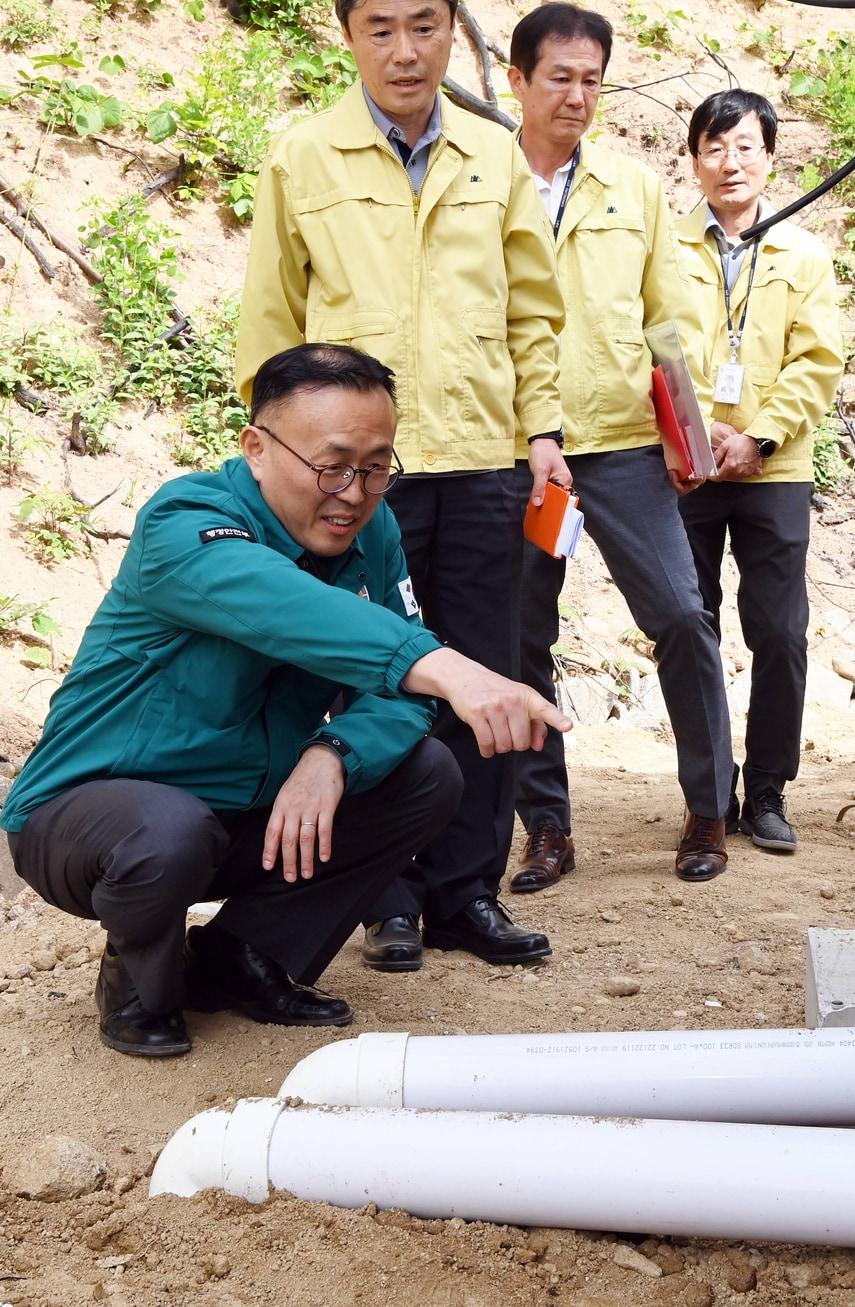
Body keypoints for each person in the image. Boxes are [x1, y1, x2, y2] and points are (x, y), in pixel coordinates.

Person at [0, 344, 571, 1058]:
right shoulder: (184, 521)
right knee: (168, 831)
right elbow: (285, 607)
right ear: (258, 447)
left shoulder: (374, 532)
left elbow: (395, 698)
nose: (354, 492)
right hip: (94, 819)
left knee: (426, 773)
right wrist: (441, 664)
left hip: (244, 811)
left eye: (375, 468)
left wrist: (334, 752)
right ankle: (140, 974)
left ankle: (243, 955)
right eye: (332, 466)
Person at [237, 0, 571, 973]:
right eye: (379, 27)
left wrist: (540, 432)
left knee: (480, 673)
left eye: (423, 25)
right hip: (348, 468)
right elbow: (269, 316)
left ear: (449, 29)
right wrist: (274, 456)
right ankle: (385, 892)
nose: (404, 50)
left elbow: (534, 312)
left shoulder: (494, 155)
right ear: (346, 36)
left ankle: (467, 890)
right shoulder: (304, 157)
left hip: (475, 455)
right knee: (361, 674)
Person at [504, 3, 736, 887]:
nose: (576, 95)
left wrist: (687, 431)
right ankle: (546, 827)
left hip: (621, 443)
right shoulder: (482, 180)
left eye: (592, 79)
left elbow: (668, 318)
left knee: (682, 612)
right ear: (517, 80)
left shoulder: (632, 187)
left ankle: (710, 808)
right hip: (520, 449)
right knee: (520, 634)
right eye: (558, 77)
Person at [675, 89, 845, 852]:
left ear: (770, 157)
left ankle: (768, 790)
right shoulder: (664, 246)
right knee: (689, 629)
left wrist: (760, 437)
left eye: (745, 146)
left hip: (774, 471)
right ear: (695, 160)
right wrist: (694, 429)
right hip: (686, 469)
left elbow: (818, 362)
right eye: (715, 147)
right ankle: (708, 796)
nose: (730, 161)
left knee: (779, 632)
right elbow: (645, 342)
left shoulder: (803, 253)